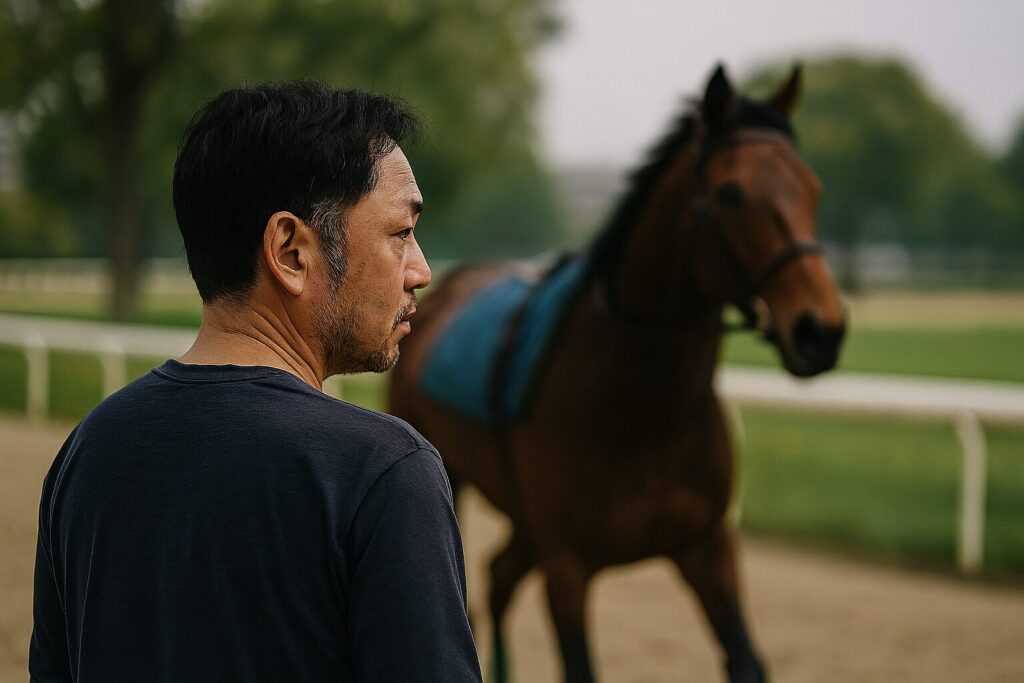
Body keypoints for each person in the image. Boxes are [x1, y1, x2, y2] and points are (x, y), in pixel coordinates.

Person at [30, 82, 483, 682]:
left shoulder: (86, 454)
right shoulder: (383, 472)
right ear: (290, 251)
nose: (420, 271)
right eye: (400, 233)